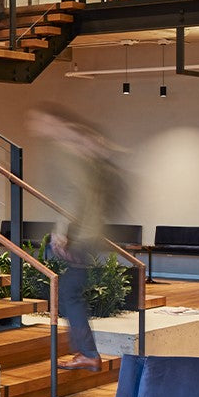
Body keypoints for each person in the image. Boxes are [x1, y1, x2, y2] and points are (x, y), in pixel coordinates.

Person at [28, 104, 124, 372]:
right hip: (88, 231)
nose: (36, 126)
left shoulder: (67, 150)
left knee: (70, 292)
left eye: (39, 120)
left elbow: (74, 193)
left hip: (80, 234)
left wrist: (61, 230)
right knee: (72, 291)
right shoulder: (80, 147)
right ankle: (87, 352)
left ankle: (88, 353)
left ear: (53, 121)